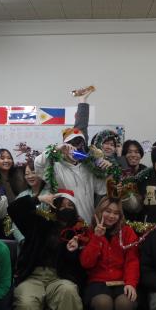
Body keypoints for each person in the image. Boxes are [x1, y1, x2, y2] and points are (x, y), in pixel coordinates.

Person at [8, 189, 85, 310]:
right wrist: (38, 198)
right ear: (54, 207)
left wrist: (74, 250)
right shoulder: (38, 223)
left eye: (70, 206)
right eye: (62, 205)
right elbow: (14, 209)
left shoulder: (81, 231)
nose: (65, 208)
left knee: (69, 294)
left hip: (60, 278)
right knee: (24, 302)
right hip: (33, 276)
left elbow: (84, 265)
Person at [34, 89, 108, 224]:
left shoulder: (89, 167)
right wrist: (55, 149)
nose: (75, 148)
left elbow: (102, 189)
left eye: (79, 144)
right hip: (65, 223)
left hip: (88, 223)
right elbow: (38, 164)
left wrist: (105, 170)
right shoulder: (55, 167)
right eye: (71, 144)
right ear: (64, 146)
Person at [12, 162, 50, 245]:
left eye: (33, 172)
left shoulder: (49, 194)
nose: (30, 176)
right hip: (25, 243)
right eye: (27, 174)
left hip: (44, 243)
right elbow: (14, 221)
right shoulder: (22, 195)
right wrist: (22, 239)